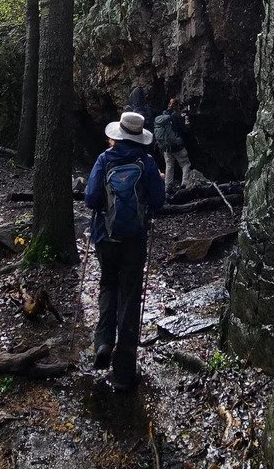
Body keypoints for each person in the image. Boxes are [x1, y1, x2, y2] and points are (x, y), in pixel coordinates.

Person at [84, 110, 165, 390]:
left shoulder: (104, 160)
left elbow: (91, 198)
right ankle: (124, 372)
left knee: (108, 285)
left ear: (117, 134)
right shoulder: (147, 162)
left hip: (106, 237)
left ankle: (103, 343)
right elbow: (158, 200)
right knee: (130, 295)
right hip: (135, 240)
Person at [153, 97, 192, 193]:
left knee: (169, 165)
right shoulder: (178, 116)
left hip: (166, 147)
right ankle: (185, 184)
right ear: (177, 105)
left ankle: (167, 186)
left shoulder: (164, 115)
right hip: (177, 145)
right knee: (185, 164)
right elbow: (185, 129)